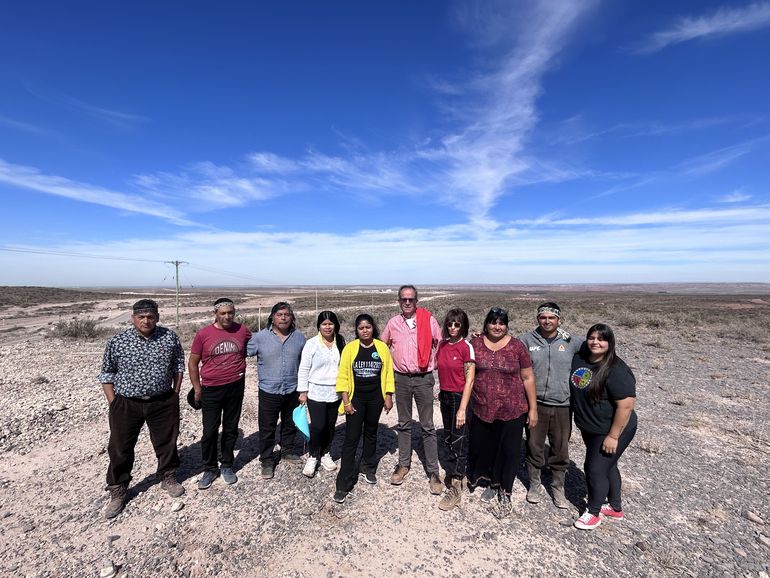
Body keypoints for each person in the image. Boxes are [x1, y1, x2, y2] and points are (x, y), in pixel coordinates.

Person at [98, 299, 186, 519]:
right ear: (133, 318)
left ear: (157, 317)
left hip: (163, 400)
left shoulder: (169, 337)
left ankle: (167, 475)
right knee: (120, 446)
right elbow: (107, 372)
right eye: (141, 317)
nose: (146, 320)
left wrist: (175, 393)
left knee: (167, 440)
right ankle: (118, 489)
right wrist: (113, 401)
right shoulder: (118, 341)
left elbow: (178, 365)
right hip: (126, 403)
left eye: (150, 316)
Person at [467, 307, 538, 518]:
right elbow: (468, 373)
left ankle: (504, 489)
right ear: (486, 324)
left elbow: (528, 378)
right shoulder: (476, 344)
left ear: (506, 325)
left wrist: (533, 409)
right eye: (493, 322)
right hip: (482, 406)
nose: (497, 327)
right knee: (485, 446)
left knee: (509, 450)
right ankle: (489, 481)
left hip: (513, 408)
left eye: (502, 323)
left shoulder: (517, 347)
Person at [571, 323, 637, 530]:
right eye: (591, 337)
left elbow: (625, 406)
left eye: (601, 339)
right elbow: (561, 337)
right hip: (591, 428)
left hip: (613, 429)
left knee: (595, 468)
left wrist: (613, 436)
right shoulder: (580, 357)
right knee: (608, 465)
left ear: (610, 343)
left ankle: (593, 512)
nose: (595, 342)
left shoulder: (616, 369)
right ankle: (615, 507)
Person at [518, 302, 583, 509]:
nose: (547, 321)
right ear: (538, 319)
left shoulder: (571, 341)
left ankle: (557, 487)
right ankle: (535, 484)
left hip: (563, 404)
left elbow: (595, 349)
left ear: (559, 320)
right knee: (534, 445)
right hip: (535, 404)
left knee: (560, 448)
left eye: (551, 318)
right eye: (543, 317)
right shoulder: (526, 340)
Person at [380, 285, 443, 495]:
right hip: (401, 379)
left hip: (424, 378)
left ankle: (433, 472)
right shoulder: (393, 323)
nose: (407, 302)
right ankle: (403, 464)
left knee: (427, 426)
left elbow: (442, 344)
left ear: (417, 301)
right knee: (404, 424)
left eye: (411, 299)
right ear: (399, 301)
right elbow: (381, 346)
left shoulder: (428, 320)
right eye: (404, 299)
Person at [188, 298, 252, 489]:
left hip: (235, 386)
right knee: (209, 431)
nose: (227, 316)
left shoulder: (242, 330)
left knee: (231, 428)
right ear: (215, 313)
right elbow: (192, 363)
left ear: (234, 312)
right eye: (223, 313)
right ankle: (209, 468)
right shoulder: (203, 334)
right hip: (211, 389)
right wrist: (197, 388)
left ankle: (226, 465)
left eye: (230, 313)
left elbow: (255, 345)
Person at [333, 314, 395, 504]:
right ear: (356, 330)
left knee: (371, 433)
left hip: (375, 398)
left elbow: (388, 373)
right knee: (351, 438)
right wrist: (346, 401)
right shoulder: (350, 349)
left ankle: (368, 468)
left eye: (368, 327)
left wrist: (388, 396)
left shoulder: (382, 347)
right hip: (356, 399)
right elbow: (343, 376)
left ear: (373, 328)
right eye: (361, 328)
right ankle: (343, 482)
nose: (365, 330)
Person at [247, 302, 307, 479]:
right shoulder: (259, 338)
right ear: (272, 317)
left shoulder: (299, 338)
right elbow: (241, 353)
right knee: (267, 426)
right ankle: (266, 459)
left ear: (292, 317)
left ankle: (287, 450)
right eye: (279, 314)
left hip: (292, 389)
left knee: (290, 423)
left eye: (287, 314)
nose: (283, 317)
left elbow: (305, 364)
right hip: (268, 390)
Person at [297, 311, 346, 478]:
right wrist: (303, 391)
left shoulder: (340, 341)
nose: (327, 327)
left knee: (330, 426)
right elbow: (304, 368)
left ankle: (325, 453)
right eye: (324, 324)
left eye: (330, 324)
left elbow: (344, 366)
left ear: (335, 325)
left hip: (336, 391)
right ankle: (312, 456)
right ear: (319, 326)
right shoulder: (312, 344)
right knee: (318, 426)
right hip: (316, 391)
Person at [436, 308, 475, 511]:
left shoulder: (466, 347)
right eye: (450, 324)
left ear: (463, 326)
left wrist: (462, 409)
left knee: (460, 439)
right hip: (445, 396)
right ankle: (454, 472)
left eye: (457, 324)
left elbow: (469, 380)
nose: (452, 327)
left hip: (461, 397)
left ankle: (457, 485)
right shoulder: (442, 345)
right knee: (450, 437)